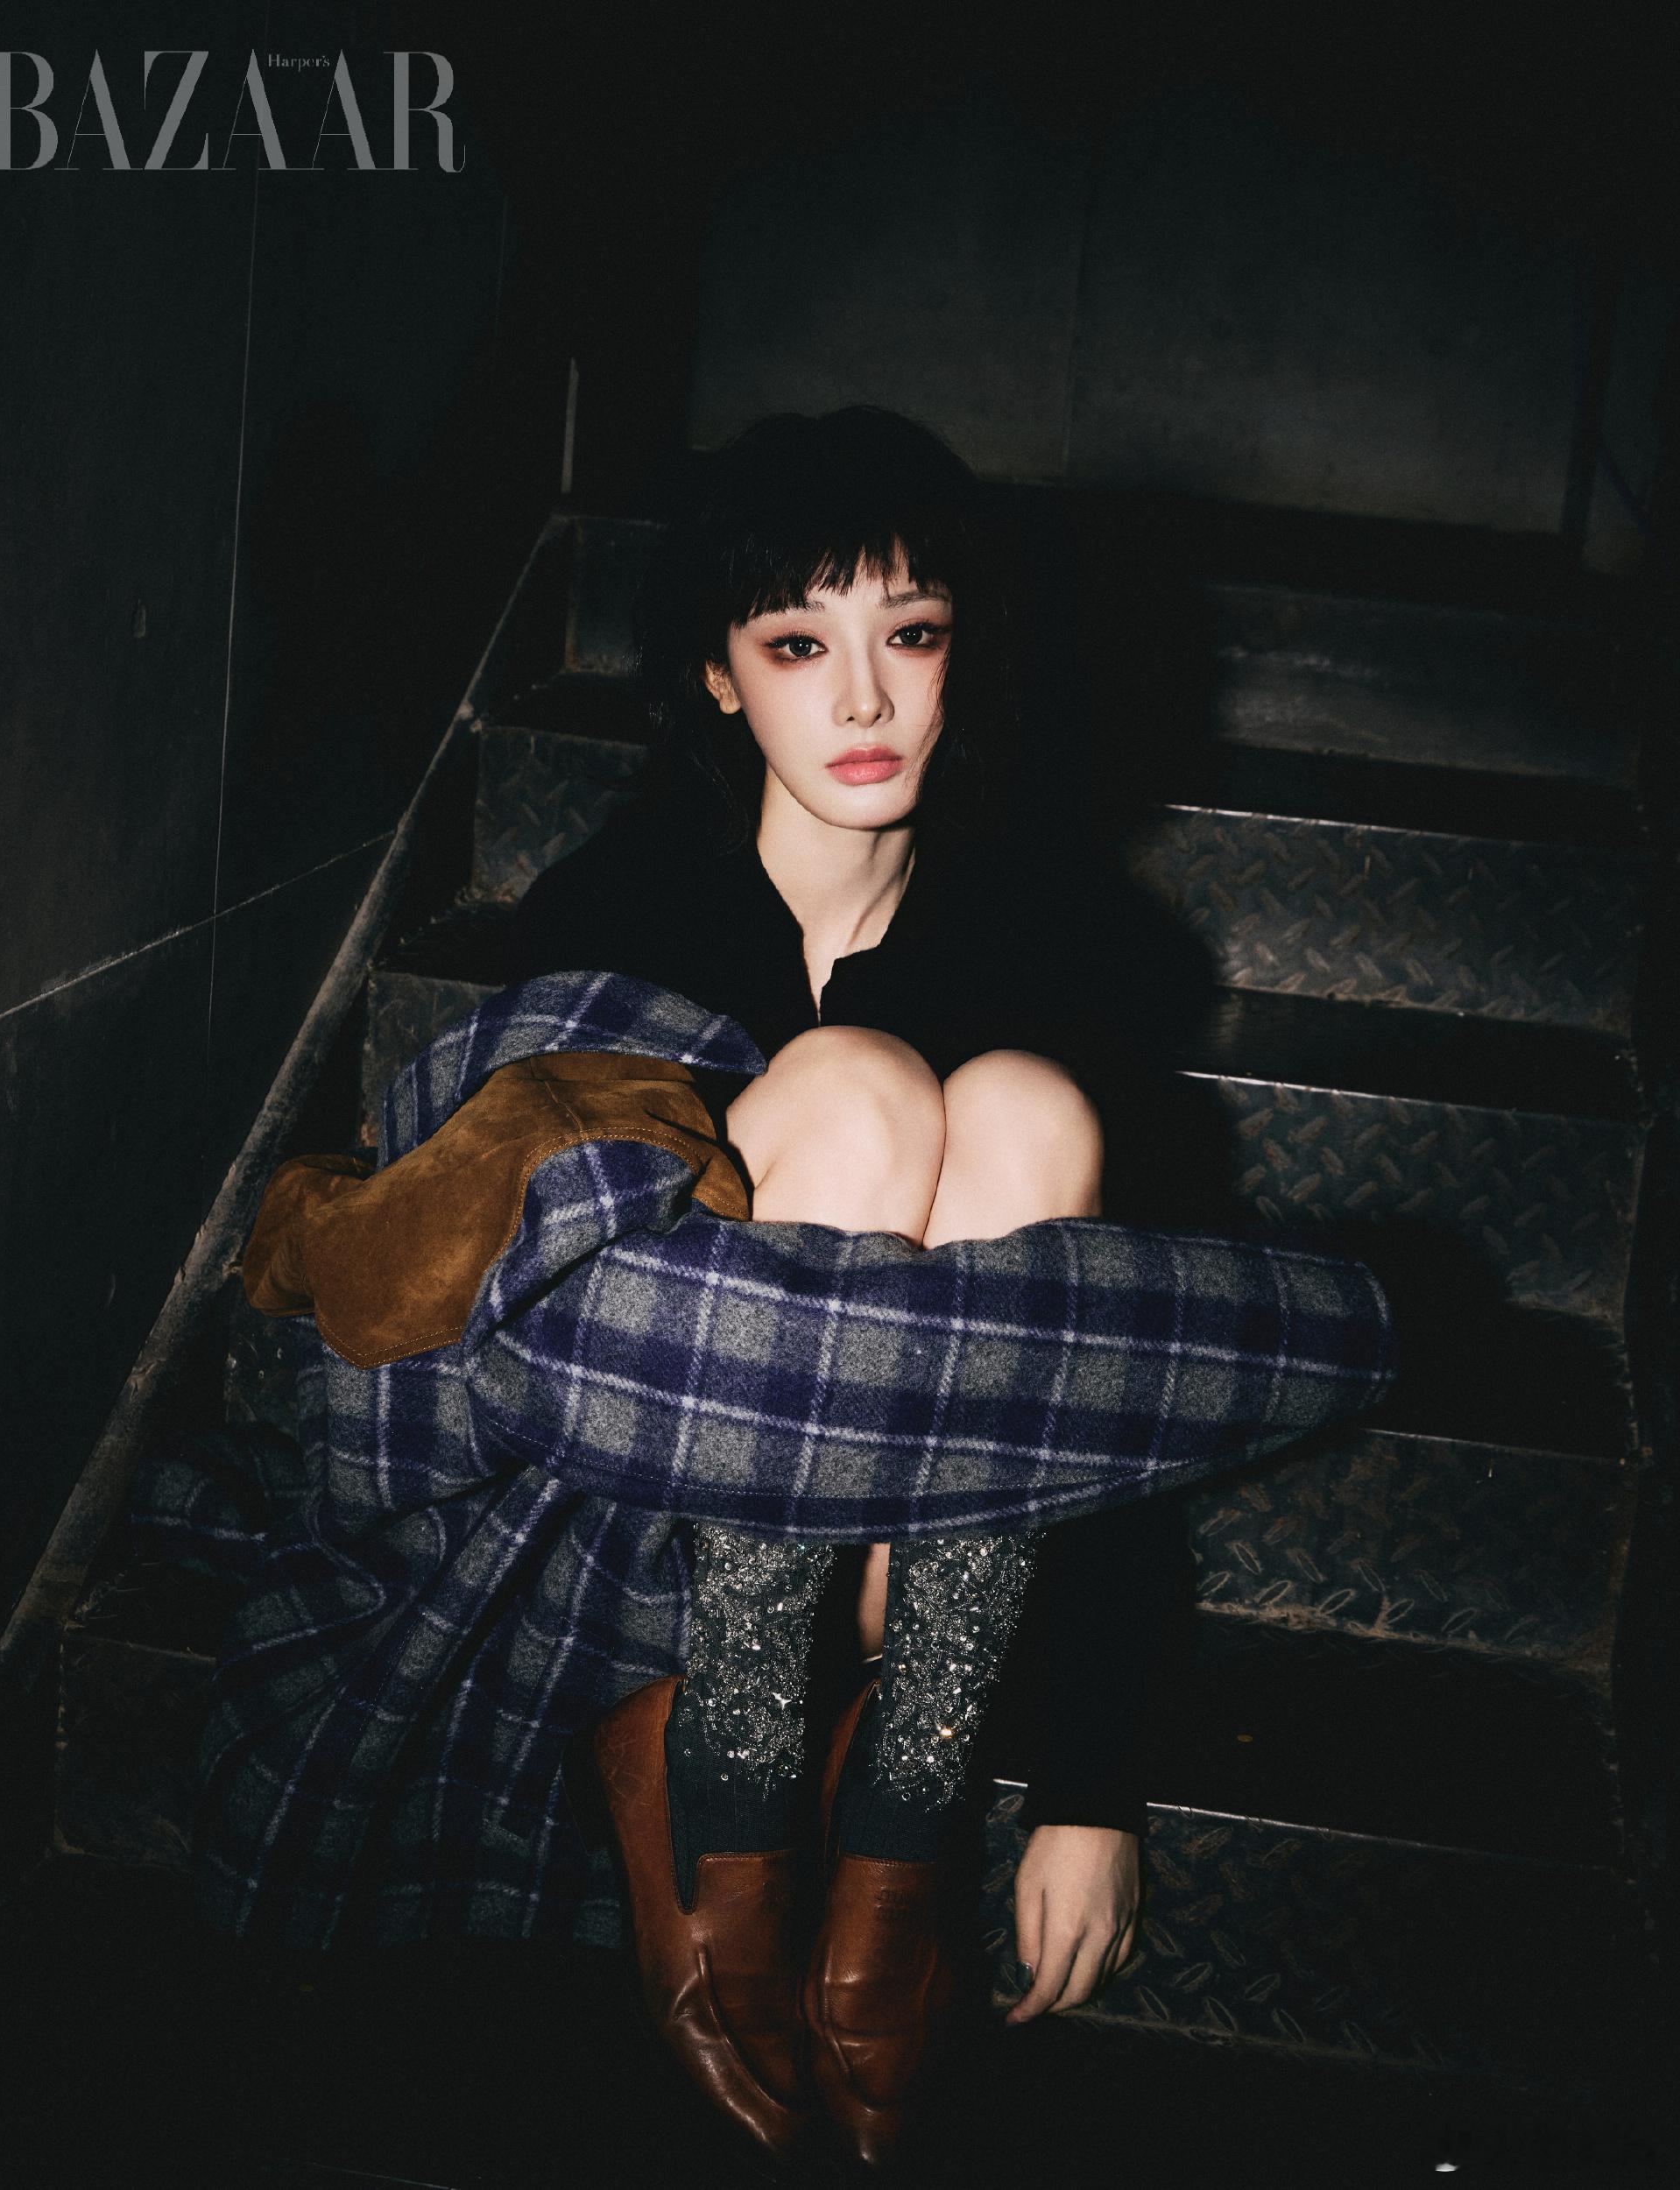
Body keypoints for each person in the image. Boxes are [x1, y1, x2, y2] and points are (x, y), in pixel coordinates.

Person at [498, 407, 1232, 2163]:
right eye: (795, 645)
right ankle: (736, 1771)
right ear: (716, 676)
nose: (862, 700)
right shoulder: (610, 921)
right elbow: (530, 1324)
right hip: (654, 1535)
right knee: (851, 1088)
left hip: (918, 1580)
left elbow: (1108, 1397)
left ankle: (910, 1798)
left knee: (1028, 1104)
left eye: (909, 633)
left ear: (964, 653)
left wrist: (1088, 1788)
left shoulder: (1053, 944)